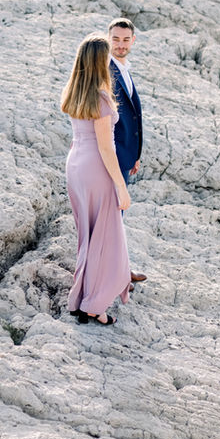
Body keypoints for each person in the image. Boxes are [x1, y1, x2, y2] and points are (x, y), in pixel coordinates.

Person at [61, 34, 131, 326]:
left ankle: (81, 299)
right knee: (107, 238)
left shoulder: (75, 93)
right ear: (100, 63)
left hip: (76, 165)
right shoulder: (102, 99)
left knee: (87, 238)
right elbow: (106, 147)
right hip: (96, 168)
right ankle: (95, 305)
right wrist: (120, 185)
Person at [108, 18, 147, 285]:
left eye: (125, 40)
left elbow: (132, 116)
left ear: (133, 41)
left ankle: (120, 269)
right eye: (116, 39)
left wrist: (135, 154)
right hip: (111, 156)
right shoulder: (106, 71)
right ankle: (113, 275)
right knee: (112, 217)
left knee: (117, 217)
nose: (121, 45)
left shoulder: (124, 68)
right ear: (108, 39)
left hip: (125, 156)